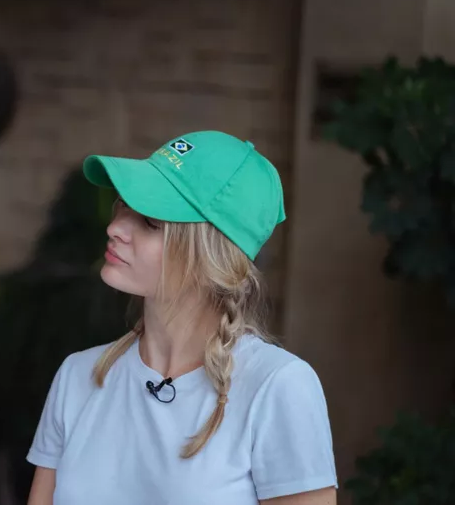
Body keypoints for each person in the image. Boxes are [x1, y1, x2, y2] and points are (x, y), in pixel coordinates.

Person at [26, 131, 337, 505]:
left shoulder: (277, 385)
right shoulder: (78, 377)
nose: (114, 228)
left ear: (211, 255)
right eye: (123, 205)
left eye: (150, 222)